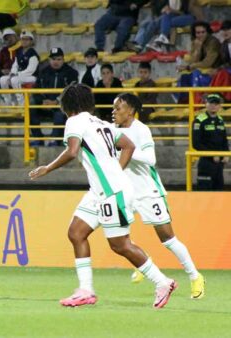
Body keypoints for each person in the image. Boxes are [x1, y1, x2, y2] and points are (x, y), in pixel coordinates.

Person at [29, 83, 177, 308]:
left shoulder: (75, 121)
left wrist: (47, 168)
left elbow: (71, 151)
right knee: (76, 232)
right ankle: (86, 290)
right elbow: (128, 145)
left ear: (69, 104)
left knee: (120, 245)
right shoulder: (102, 123)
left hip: (111, 192)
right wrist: (117, 170)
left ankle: (162, 282)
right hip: (101, 191)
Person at [112, 93, 205, 298]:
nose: (114, 112)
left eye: (118, 108)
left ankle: (195, 276)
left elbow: (150, 159)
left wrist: (128, 149)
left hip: (148, 192)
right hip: (126, 191)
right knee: (119, 235)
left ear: (130, 110)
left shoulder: (141, 130)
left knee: (168, 239)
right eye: (113, 108)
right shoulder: (113, 131)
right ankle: (142, 262)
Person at [30, 47, 78, 146]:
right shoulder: (43, 72)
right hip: (45, 105)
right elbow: (35, 90)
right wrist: (42, 101)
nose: (56, 62)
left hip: (61, 105)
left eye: (59, 59)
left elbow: (71, 90)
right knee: (31, 107)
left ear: (63, 60)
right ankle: (38, 138)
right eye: (53, 59)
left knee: (60, 113)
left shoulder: (71, 73)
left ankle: (55, 140)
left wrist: (56, 101)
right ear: (49, 60)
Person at [192, 94, 229, 191]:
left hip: (219, 163)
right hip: (206, 163)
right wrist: (211, 155)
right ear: (206, 104)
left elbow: (224, 140)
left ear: (220, 106)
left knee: (219, 190)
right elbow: (196, 143)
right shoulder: (199, 121)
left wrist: (226, 154)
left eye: (216, 103)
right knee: (205, 191)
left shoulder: (220, 120)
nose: (213, 105)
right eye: (210, 103)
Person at [0, 30, 39, 106]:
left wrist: (17, 74)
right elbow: (15, 65)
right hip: (20, 75)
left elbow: (31, 70)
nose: (24, 41)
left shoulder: (33, 54)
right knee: (3, 79)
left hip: (32, 77)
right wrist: (13, 73)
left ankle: (21, 103)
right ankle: (8, 101)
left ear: (31, 41)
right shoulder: (19, 52)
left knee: (14, 80)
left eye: (27, 39)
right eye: (23, 39)